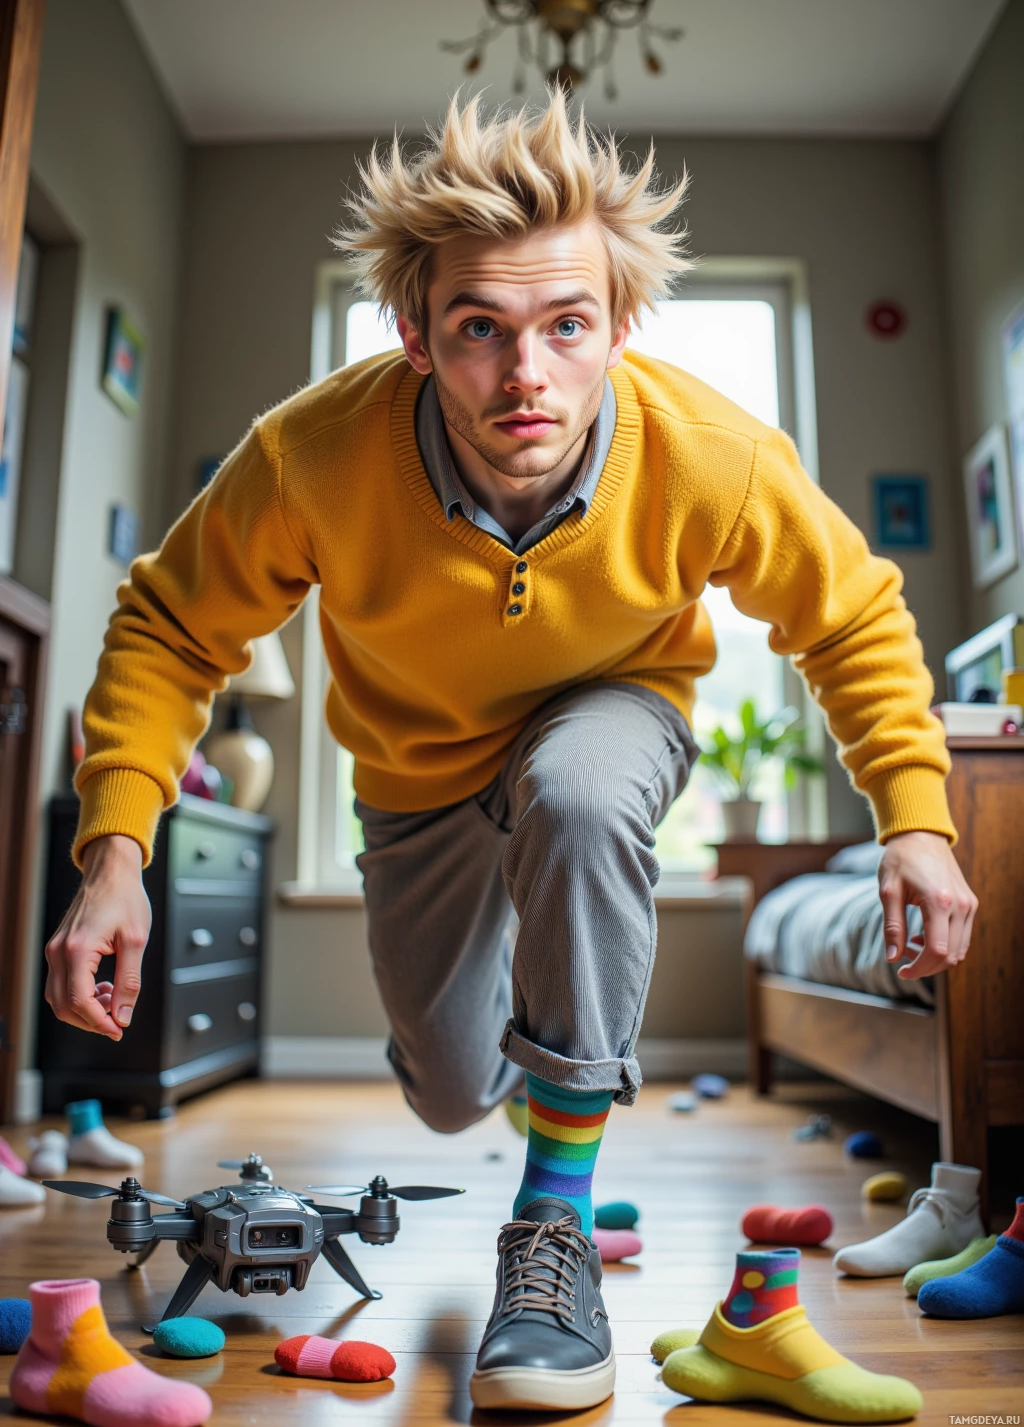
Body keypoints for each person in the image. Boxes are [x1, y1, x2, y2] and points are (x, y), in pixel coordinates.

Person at [45, 91, 977, 1411]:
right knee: (442, 1093)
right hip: (415, 781)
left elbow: (853, 618)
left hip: (612, 715)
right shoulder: (310, 456)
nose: (525, 373)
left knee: (579, 789)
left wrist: (918, 819)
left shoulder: (714, 457)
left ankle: (552, 1230)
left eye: (564, 326)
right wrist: (117, 854)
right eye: (479, 329)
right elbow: (167, 628)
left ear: (618, 330)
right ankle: (517, 1086)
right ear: (415, 336)